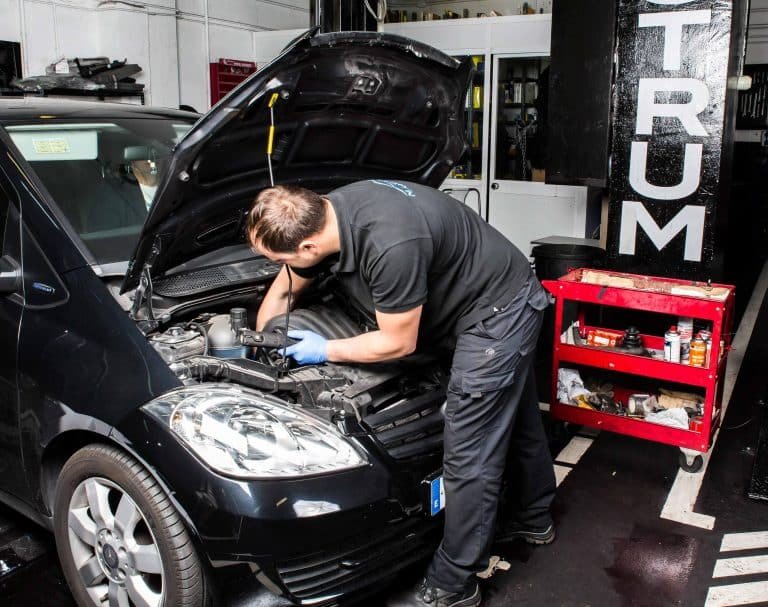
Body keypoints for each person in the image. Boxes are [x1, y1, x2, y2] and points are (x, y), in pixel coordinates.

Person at [246, 180, 556, 607]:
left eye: (278, 257)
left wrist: (324, 349)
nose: (278, 265)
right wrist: (263, 343)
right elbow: (285, 287)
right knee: (515, 416)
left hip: (498, 314)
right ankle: (535, 516)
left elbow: (397, 343)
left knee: (470, 450)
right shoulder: (326, 212)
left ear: (309, 247)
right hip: (481, 294)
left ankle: (454, 581)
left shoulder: (391, 244)